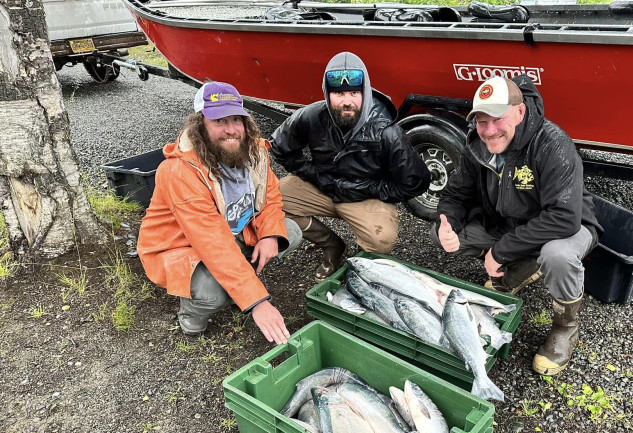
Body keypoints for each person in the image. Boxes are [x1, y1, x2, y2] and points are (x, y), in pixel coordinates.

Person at [432, 75, 603, 376]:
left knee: (557, 256)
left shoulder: (552, 144)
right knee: (441, 234)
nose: (489, 130)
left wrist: (499, 251)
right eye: (482, 122)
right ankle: (523, 265)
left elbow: (564, 216)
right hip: (509, 224)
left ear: (520, 112)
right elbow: (456, 194)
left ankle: (566, 329)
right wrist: (448, 220)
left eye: (497, 119)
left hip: (567, 227)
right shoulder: (477, 144)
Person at [137, 81, 302, 342]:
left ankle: (240, 280)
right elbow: (210, 241)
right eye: (219, 121)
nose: (231, 130)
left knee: (288, 233)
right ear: (200, 124)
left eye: (236, 119)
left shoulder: (254, 151)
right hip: (182, 247)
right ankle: (191, 311)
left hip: (231, 233)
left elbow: (270, 196)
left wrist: (270, 235)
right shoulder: (179, 172)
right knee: (213, 293)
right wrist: (258, 302)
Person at [270, 51, 430, 282]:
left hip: (364, 196)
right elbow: (280, 147)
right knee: (271, 199)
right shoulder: (312, 116)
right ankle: (333, 246)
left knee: (381, 239)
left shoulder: (387, 131)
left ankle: (360, 265)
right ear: (327, 93)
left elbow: (416, 181)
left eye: (354, 92)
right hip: (323, 187)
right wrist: (313, 174)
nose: (347, 101)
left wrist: (373, 189)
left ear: (365, 92)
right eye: (338, 93)